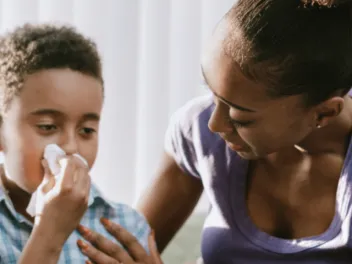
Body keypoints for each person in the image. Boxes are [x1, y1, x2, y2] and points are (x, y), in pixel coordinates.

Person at [77, 0, 352, 263]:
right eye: (211, 92)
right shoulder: (200, 132)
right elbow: (124, 251)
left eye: (240, 118)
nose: (215, 124)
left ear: (324, 112)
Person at [0, 23, 161, 264]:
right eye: (47, 127)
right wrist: (49, 235)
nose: (71, 148)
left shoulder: (125, 226)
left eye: (86, 130)